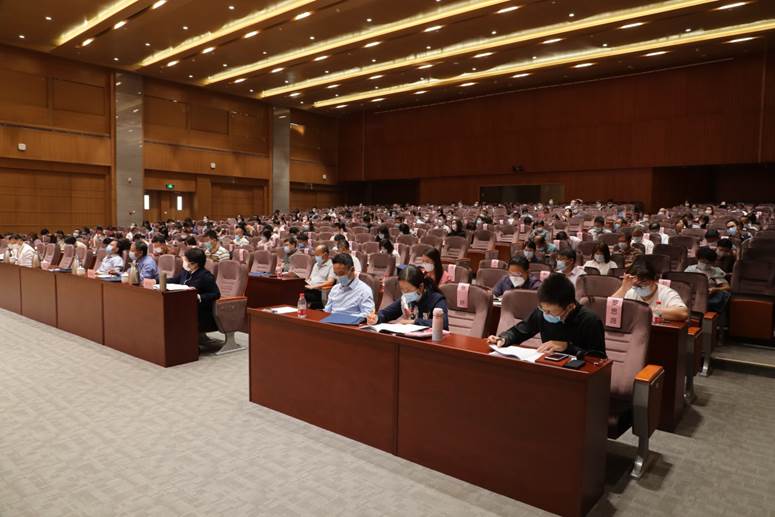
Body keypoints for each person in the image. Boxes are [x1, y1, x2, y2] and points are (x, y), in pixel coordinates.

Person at [487, 273, 606, 356]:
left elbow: (598, 358)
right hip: (548, 366)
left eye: (550, 311)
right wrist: (504, 338)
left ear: (570, 306)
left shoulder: (590, 320)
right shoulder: (542, 312)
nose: (545, 314)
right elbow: (521, 331)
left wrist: (567, 347)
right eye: (543, 308)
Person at [168, 248, 221, 350]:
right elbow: (175, 280)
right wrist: (157, 281)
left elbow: (216, 294)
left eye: (186, 260)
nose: (184, 262)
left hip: (201, 311)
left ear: (194, 264)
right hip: (186, 307)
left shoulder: (205, 276)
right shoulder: (186, 272)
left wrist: (199, 297)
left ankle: (187, 346)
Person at [367, 265, 449, 329]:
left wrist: (414, 322)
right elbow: (386, 313)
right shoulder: (405, 299)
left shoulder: (437, 299)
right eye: (402, 289)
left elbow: (443, 323)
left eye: (408, 290)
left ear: (421, 287)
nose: (405, 293)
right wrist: (376, 318)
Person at [611, 261, 689, 321]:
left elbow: (683, 313)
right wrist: (623, 288)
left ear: (654, 280)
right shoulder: (630, 291)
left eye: (643, 282)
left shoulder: (666, 293)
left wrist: (648, 311)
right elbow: (610, 308)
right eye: (636, 285)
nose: (639, 287)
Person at [324, 254, 375, 318]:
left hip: (351, 322)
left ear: (352, 269)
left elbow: (368, 314)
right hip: (331, 322)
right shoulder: (335, 289)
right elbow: (327, 311)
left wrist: (346, 318)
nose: (339, 277)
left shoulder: (364, 290)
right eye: (336, 274)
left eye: (341, 273)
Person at [685, 247, 731, 313]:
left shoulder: (716, 271)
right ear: (697, 258)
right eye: (703, 261)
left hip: (710, 297)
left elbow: (727, 287)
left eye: (708, 262)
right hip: (693, 296)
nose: (705, 264)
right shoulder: (690, 269)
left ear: (713, 262)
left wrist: (715, 289)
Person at [304, 245, 336, 309]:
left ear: (325, 254)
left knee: (305, 296)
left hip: (321, 292)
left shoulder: (331, 265)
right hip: (310, 289)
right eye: (315, 255)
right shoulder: (316, 264)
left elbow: (330, 282)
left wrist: (315, 286)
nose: (316, 257)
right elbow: (311, 278)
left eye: (317, 255)